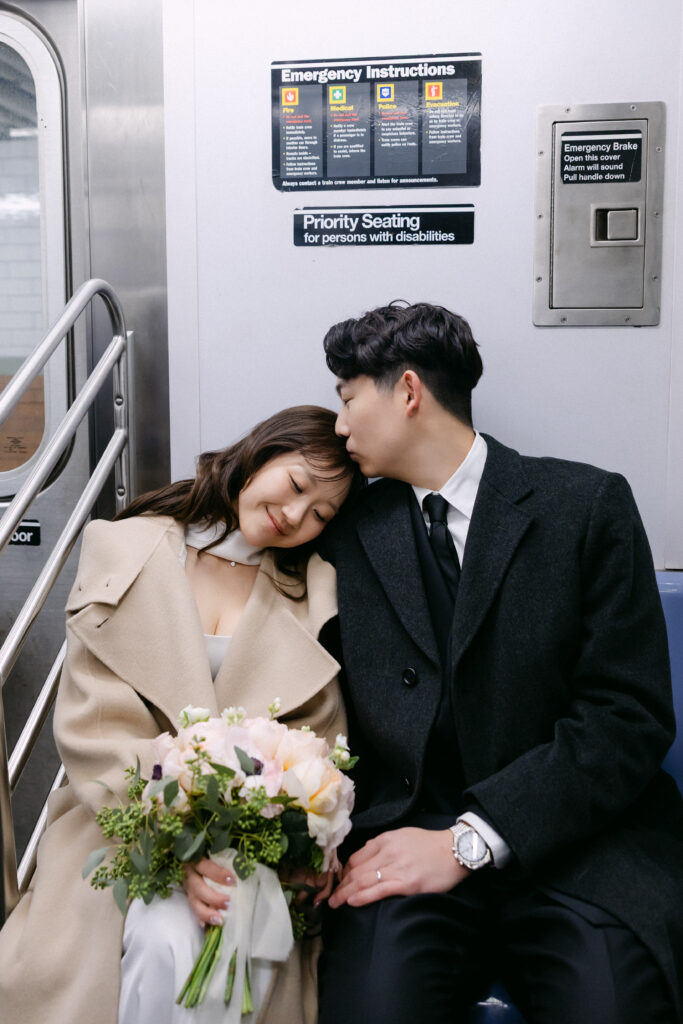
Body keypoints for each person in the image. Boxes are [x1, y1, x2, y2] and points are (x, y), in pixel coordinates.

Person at [316, 302, 683, 1024]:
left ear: (409, 392)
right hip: (402, 845)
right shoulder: (346, 533)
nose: (339, 426)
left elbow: (627, 716)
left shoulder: (585, 505)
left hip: (582, 850)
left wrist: (471, 840)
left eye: (347, 398)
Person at [0, 405, 362, 1024]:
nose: (296, 515)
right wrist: (177, 842)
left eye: (320, 514)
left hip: (254, 846)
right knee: (163, 932)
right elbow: (93, 725)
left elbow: (319, 739)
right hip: (116, 821)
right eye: (298, 485)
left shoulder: (316, 596)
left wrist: (290, 837)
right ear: (262, 450)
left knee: (227, 940)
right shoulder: (128, 548)